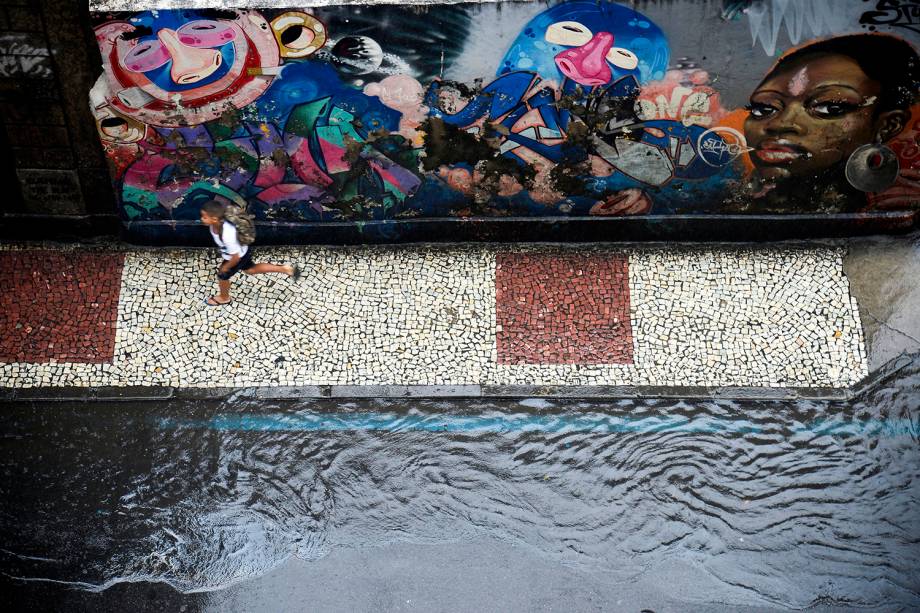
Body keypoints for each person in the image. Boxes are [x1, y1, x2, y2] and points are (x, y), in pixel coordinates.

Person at [739, 34, 919, 213]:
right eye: (763, 109)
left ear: (888, 126)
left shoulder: (897, 211)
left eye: (829, 108)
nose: (780, 124)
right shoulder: (726, 203)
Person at [199, 200, 300, 306]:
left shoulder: (227, 234)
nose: (202, 219)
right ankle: (285, 269)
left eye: (204, 217)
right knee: (250, 269)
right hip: (244, 250)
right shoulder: (217, 224)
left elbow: (235, 258)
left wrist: (225, 268)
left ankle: (224, 298)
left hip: (237, 257)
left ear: (214, 219)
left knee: (222, 277)